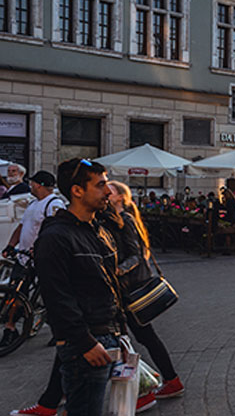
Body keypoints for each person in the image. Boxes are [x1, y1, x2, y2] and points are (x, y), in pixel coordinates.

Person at [35, 158, 123, 416]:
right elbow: (57, 298)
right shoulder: (56, 237)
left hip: (105, 338)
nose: (108, 191)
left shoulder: (96, 230)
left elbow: (109, 284)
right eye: (101, 185)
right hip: (85, 345)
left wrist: (121, 332)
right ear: (77, 190)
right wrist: (85, 343)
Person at [105, 181, 184, 402]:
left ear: (120, 197)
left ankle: (154, 384)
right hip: (124, 290)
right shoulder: (116, 220)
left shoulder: (126, 221)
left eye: (109, 192)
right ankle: (167, 380)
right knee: (142, 336)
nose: (104, 194)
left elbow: (136, 256)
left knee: (137, 337)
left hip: (129, 290)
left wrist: (115, 270)